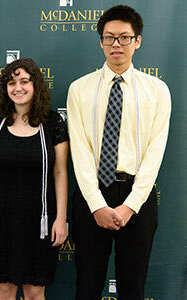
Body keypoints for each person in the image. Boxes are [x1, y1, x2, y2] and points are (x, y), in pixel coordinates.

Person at [67, 5, 171, 299]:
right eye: (109, 37)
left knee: (133, 286)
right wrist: (97, 204)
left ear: (137, 40)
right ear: (100, 41)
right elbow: (81, 149)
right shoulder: (79, 89)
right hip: (92, 196)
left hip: (138, 195)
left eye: (124, 38)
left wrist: (131, 205)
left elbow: (155, 151)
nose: (116, 44)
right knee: (87, 285)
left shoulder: (157, 90)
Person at [0, 58, 69, 300]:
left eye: (24, 81)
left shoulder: (52, 122)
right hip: (2, 217)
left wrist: (61, 219)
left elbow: (60, 172)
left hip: (40, 218)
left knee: (34, 291)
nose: (17, 88)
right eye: (11, 82)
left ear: (35, 85)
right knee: (5, 290)